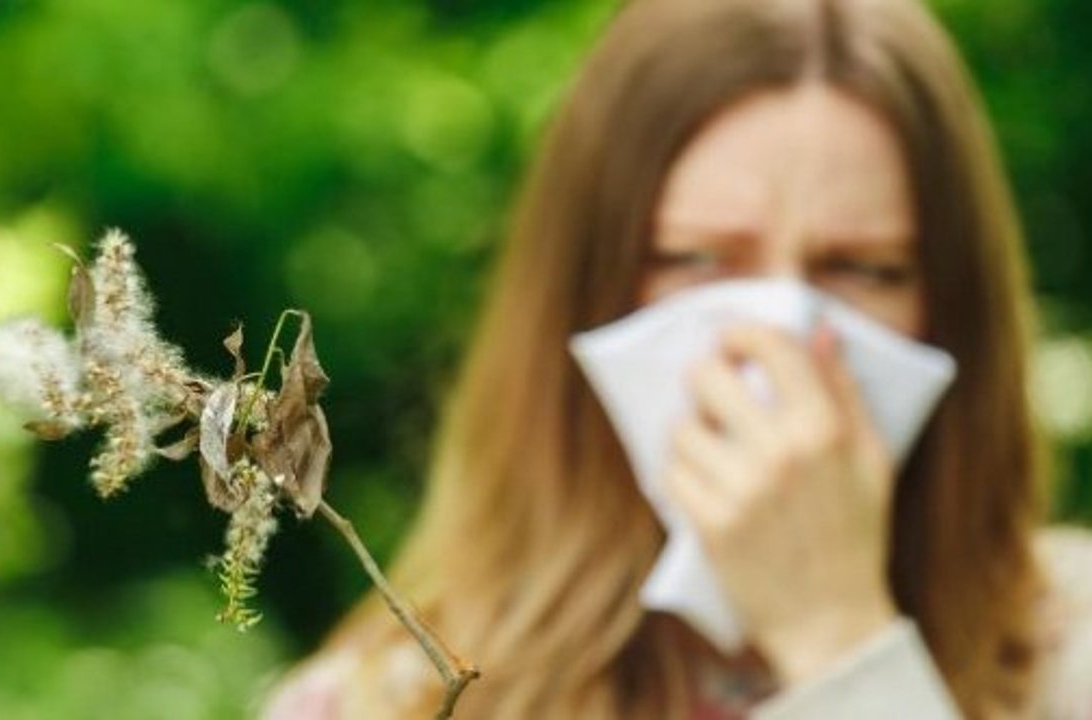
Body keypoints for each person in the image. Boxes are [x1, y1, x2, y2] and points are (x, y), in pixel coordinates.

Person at [263, 0, 1092, 716]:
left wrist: (837, 636)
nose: (780, 333)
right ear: (586, 288)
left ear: (950, 310)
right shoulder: (390, 699)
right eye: (697, 260)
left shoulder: (1069, 655)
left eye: (863, 268)